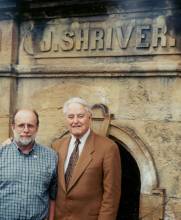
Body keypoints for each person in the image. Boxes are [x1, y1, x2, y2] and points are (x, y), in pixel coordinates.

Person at [52, 97, 121, 220]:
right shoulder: (57, 146)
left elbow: (111, 196)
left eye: (80, 116)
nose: (75, 121)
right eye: (71, 117)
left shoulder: (108, 148)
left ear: (89, 117)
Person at [0, 109, 58, 220]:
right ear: (13, 127)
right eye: (21, 125)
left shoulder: (51, 156)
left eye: (30, 125)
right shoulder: (1, 154)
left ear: (37, 128)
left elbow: (53, 196)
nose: (26, 130)